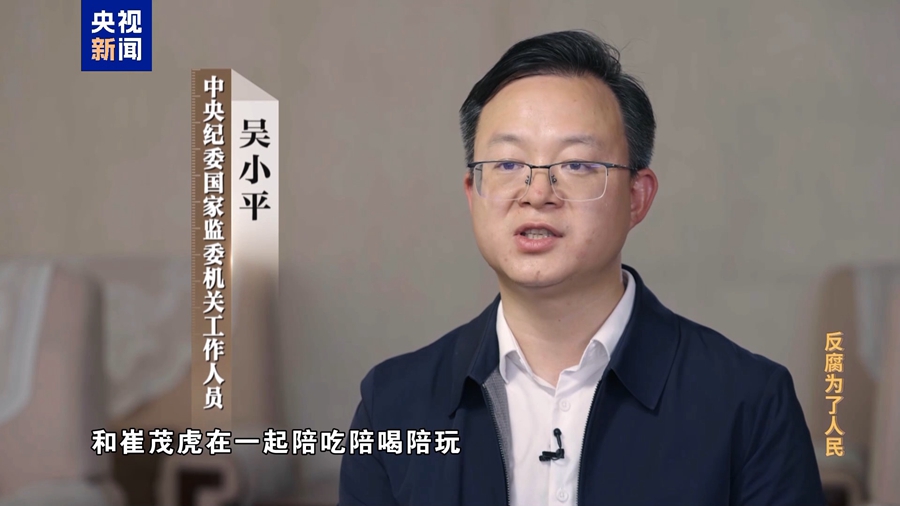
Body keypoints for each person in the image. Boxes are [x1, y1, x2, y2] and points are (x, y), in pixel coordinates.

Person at [339, 29, 825, 506]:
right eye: (507, 164)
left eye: (576, 165)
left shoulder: (749, 402)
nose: (537, 193)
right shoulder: (392, 406)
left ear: (637, 197)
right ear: (473, 193)